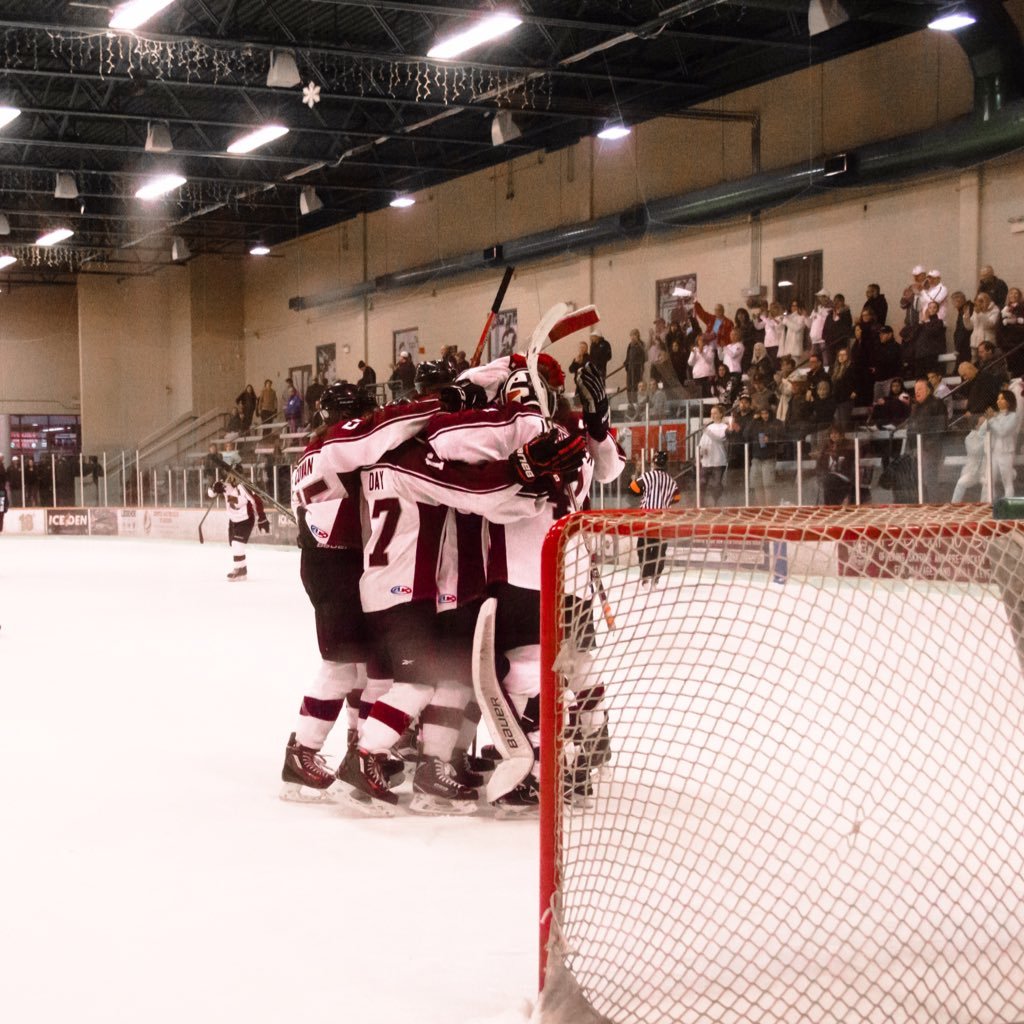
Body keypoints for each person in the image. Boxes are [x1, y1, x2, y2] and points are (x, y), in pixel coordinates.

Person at [280, 381, 381, 804]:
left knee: (358, 666)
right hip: (336, 563)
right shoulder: (341, 448)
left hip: (326, 562)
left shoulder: (313, 451)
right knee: (342, 667)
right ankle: (302, 751)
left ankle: (359, 745)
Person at [629, 450, 680, 586]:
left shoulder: (648, 476)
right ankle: (655, 578)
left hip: (647, 519)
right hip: (663, 520)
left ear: (653, 463)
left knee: (644, 547)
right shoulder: (671, 481)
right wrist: (665, 500)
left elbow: (633, 488)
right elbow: (677, 498)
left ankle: (645, 576)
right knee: (659, 550)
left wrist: (641, 487)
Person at [208, 471, 269, 580]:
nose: (232, 478)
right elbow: (210, 494)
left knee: (237, 544)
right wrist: (214, 489)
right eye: (230, 475)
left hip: (246, 519)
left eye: (235, 475)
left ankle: (237, 569)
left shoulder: (244, 486)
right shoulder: (223, 484)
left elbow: (257, 500)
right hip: (233, 520)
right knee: (235, 546)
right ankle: (242, 569)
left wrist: (262, 517)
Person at [698, 405, 729, 506]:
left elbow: (720, 439)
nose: (713, 415)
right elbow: (702, 444)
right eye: (711, 413)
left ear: (721, 414)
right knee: (702, 483)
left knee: (716, 485)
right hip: (706, 462)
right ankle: (701, 504)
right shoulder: (708, 428)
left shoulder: (725, 427)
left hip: (718, 461)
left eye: (715, 413)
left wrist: (706, 431)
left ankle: (716, 502)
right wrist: (702, 451)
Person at [817, 426, 856, 505]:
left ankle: (830, 506)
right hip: (829, 476)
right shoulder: (827, 446)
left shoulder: (849, 445)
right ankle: (832, 506)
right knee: (827, 482)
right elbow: (820, 463)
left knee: (827, 481)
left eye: (836, 433)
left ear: (841, 434)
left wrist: (837, 454)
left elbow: (849, 461)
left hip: (844, 475)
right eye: (831, 434)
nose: (833, 435)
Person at [625, 328, 646, 415]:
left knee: (636, 384)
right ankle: (630, 401)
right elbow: (627, 356)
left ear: (638, 335)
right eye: (632, 335)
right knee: (629, 384)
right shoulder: (630, 345)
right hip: (630, 367)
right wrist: (626, 364)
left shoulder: (641, 344)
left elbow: (644, 354)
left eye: (635, 335)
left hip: (637, 367)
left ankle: (636, 400)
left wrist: (638, 342)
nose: (633, 337)